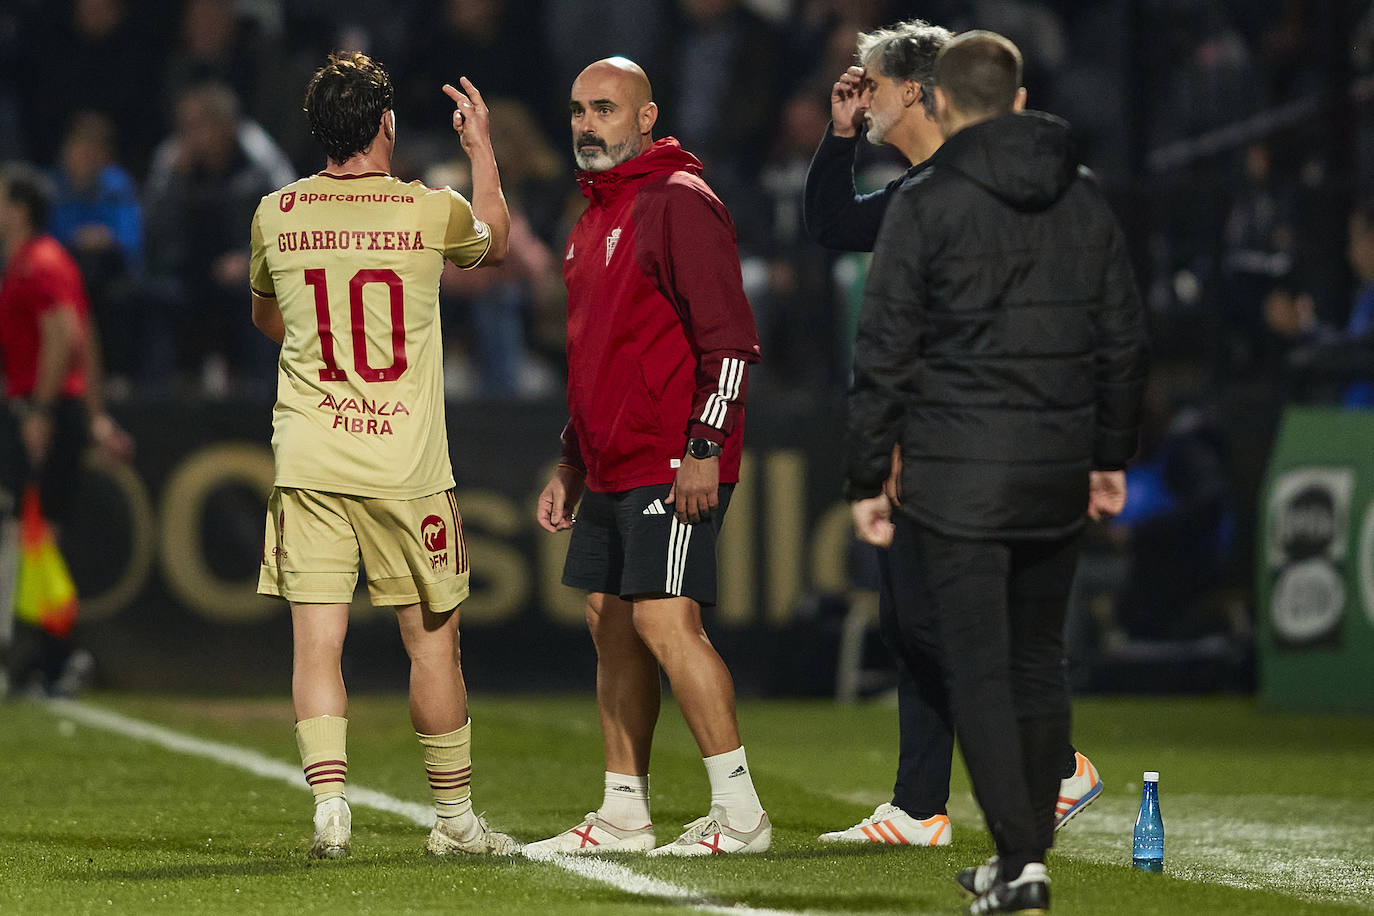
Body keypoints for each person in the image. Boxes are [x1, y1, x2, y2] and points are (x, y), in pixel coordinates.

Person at [845, 31, 1147, 914]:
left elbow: (885, 346)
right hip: (1054, 468)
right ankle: (1022, 855)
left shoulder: (927, 202)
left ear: (939, 103)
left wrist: (868, 475)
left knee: (979, 669)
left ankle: (1021, 862)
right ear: (1017, 100)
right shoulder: (1083, 196)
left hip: (956, 477)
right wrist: (1108, 456)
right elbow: (1124, 339)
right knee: (1038, 662)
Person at [805, 20, 1103, 848]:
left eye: (868, 85)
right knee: (910, 620)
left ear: (913, 90)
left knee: (938, 621)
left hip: (960, 441)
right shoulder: (916, 191)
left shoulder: (947, 196)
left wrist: (897, 436)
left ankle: (1055, 766)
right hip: (953, 435)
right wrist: (835, 137)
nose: (858, 99)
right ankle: (920, 805)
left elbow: (928, 331)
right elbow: (832, 223)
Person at [249, 51, 517, 860]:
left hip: (310, 458)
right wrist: (481, 153)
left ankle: (331, 807)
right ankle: (456, 822)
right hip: (405, 466)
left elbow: (270, 321)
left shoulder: (276, 213)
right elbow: (497, 242)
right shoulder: (429, 211)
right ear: (386, 125)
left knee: (315, 643)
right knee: (431, 643)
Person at [528, 57, 767, 857]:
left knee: (666, 619)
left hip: (673, 455)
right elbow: (592, 354)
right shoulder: (594, 213)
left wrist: (702, 446)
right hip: (609, 461)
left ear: (645, 117)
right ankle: (624, 811)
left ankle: (741, 815)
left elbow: (731, 342)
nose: (586, 124)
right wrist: (571, 459)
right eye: (577, 109)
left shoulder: (677, 201)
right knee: (611, 621)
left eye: (604, 108)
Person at [0, 161, 132, 699]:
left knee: (36, 536)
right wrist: (97, 415)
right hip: (52, 408)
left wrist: (41, 412)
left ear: (20, 208)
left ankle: (58, 657)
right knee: (34, 536)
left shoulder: (37, 262)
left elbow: (64, 335)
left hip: (44, 410)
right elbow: (86, 336)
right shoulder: (37, 262)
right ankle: (46, 659)